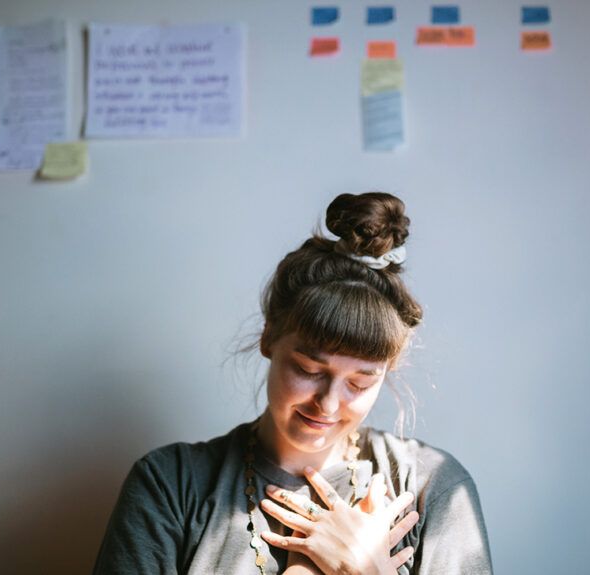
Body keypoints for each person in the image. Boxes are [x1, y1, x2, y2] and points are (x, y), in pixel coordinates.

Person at [93, 192, 492, 574]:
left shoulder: (431, 487)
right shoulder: (170, 485)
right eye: (310, 371)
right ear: (269, 339)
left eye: (360, 382)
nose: (329, 404)